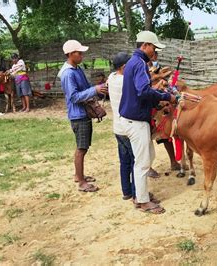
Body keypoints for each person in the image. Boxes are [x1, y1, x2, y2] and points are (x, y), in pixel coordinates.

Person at [119, 31, 176, 214]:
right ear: (145, 45)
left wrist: (157, 101)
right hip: (136, 120)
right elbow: (143, 91)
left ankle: (140, 194)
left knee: (147, 157)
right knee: (143, 161)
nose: (154, 51)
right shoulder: (140, 64)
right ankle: (142, 201)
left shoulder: (132, 63)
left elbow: (140, 92)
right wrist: (165, 96)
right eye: (154, 47)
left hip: (133, 117)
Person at [59, 40, 108, 192]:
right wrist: (94, 90)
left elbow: (85, 88)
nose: (81, 55)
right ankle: (81, 182)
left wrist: (98, 88)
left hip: (83, 113)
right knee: (81, 148)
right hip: (78, 115)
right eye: (78, 53)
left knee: (83, 147)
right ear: (70, 54)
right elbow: (73, 97)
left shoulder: (77, 69)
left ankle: (78, 175)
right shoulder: (68, 73)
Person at [107, 52, 135, 200]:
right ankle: (137, 194)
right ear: (124, 67)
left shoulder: (111, 78)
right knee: (135, 161)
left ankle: (127, 192)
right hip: (128, 128)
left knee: (124, 161)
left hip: (117, 128)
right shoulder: (125, 81)